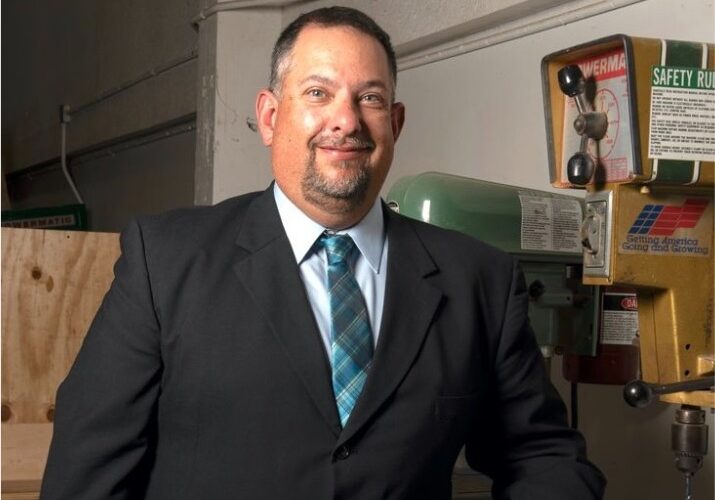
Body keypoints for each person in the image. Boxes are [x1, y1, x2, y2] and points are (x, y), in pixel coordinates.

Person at [41, 6, 605, 500]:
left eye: (370, 98)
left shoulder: (478, 280)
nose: (346, 120)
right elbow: (89, 469)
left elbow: (542, 456)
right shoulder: (165, 261)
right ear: (270, 117)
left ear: (395, 123)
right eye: (318, 93)